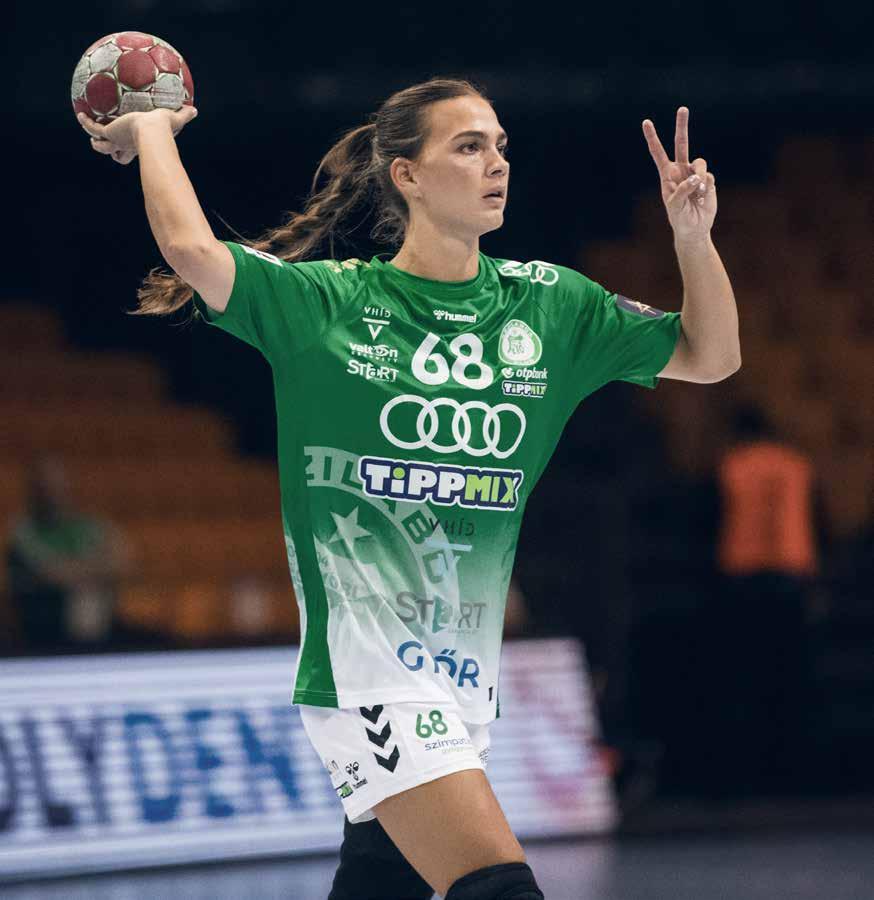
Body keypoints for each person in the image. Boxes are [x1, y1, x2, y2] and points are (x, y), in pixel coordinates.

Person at [77, 78, 739, 900]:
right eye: (468, 146)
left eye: (500, 146)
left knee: (378, 885)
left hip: (461, 678)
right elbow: (191, 250)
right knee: (498, 886)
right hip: (370, 677)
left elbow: (712, 356)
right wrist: (151, 129)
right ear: (408, 176)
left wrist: (692, 238)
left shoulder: (553, 306)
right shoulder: (332, 304)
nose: (496, 163)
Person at [710, 404, 819, 794]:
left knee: (744, 678)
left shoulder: (732, 465)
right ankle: (793, 772)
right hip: (791, 579)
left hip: (743, 580)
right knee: (791, 679)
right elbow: (815, 521)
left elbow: (712, 519)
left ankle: (747, 774)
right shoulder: (796, 464)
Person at [5, 455, 132, 654]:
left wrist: (78, 572)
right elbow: (50, 573)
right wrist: (94, 570)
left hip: (99, 622)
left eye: (56, 484)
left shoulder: (88, 526)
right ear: (34, 490)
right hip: (44, 624)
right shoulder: (23, 530)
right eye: (44, 485)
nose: (52, 491)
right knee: (84, 598)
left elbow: (122, 562)